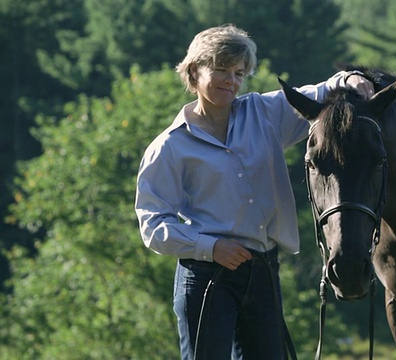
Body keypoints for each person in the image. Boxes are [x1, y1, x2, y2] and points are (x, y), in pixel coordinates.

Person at [134, 24, 373, 360]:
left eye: (239, 73)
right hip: (205, 278)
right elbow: (152, 224)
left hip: (262, 271)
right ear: (193, 71)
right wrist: (211, 247)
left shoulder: (265, 113)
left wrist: (349, 78)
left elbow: (322, 92)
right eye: (220, 70)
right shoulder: (169, 147)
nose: (231, 81)